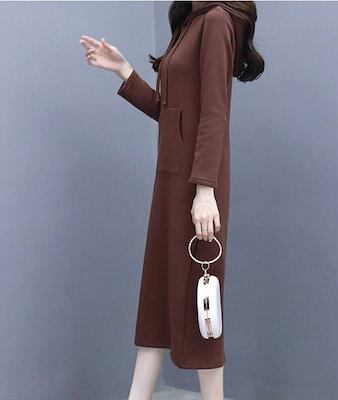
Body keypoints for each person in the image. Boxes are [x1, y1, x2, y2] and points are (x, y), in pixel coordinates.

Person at [79, 1, 264, 399]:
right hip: (170, 182)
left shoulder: (216, 20)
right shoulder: (189, 23)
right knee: (158, 300)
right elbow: (171, 114)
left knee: (200, 306)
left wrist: (205, 190)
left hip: (198, 186)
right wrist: (124, 70)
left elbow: (214, 110)